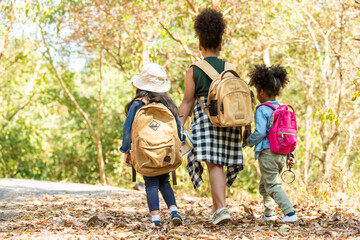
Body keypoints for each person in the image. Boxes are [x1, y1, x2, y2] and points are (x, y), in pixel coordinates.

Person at [178, 8, 248, 225]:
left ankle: (222, 209)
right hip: (230, 121)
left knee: (214, 165)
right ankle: (217, 208)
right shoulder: (231, 68)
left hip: (207, 121)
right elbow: (241, 97)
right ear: (220, 45)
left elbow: (188, 102)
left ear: (199, 47)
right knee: (220, 164)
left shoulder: (194, 70)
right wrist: (247, 127)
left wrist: (177, 126)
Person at [119, 63, 186, 228]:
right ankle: (174, 211)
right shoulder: (167, 104)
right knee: (165, 181)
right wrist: (182, 139)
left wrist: (126, 150)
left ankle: (156, 221)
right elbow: (178, 126)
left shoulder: (137, 104)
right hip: (166, 151)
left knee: (151, 184)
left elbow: (127, 130)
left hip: (146, 152)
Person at [244, 64, 298, 222]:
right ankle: (269, 214)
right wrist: (290, 155)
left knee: (273, 185)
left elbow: (260, 132)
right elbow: (288, 133)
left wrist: (248, 141)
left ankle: (290, 214)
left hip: (268, 153)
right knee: (265, 184)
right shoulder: (283, 109)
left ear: (260, 91)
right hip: (281, 154)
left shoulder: (262, 109)